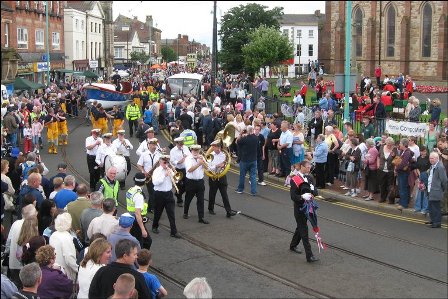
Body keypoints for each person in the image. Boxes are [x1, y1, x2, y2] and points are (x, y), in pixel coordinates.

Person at [289, 160, 319, 263]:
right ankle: (309, 256)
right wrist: (302, 196)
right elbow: (293, 196)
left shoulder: (310, 178)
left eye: (310, 167)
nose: (309, 169)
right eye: (307, 167)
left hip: (308, 207)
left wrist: (312, 190)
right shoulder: (294, 179)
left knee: (300, 227)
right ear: (301, 167)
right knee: (304, 231)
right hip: (299, 209)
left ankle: (293, 245)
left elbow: (316, 192)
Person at [5, 204, 38, 287]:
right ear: (32, 215)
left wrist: (7, 253)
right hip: (26, 266)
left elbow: (9, 241)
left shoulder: (15, 224)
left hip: (13, 263)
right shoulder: (32, 226)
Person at [206, 140, 239, 218]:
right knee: (212, 194)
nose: (214, 148)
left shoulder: (224, 155)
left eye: (216, 147)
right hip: (213, 177)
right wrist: (217, 166)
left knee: (224, 195)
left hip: (222, 177)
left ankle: (229, 211)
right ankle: (210, 209)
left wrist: (224, 165)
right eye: (213, 147)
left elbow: (226, 164)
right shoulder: (209, 155)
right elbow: (208, 168)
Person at [151, 156, 181, 237]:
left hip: (169, 194)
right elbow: (155, 183)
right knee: (158, 212)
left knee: (171, 213)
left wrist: (174, 176)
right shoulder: (157, 171)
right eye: (164, 162)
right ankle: (154, 226)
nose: (166, 164)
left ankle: (174, 232)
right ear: (160, 162)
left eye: (167, 162)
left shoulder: (170, 169)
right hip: (159, 194)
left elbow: (176, 180)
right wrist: (164, 175)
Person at [49, 213, 79, 281]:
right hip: (65, 273)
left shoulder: (53, 235)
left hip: (55, 270)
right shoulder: (67, 237)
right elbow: (69, 258)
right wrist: (78, 269)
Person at [126, 172, 153, 248]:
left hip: (131, 219)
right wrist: (143, 229)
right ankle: (141, 258)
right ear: (144, 182)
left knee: (144, 242)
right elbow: (138, 213)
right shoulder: (138, 195)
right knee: (142, 243)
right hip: (136, 221)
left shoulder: (131, 190)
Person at [183, 144, 209, 224]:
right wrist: (198, 164)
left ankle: (201, 217)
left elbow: (207, 167)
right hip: (191, 182)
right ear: (191, 150)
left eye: (197, 150)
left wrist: (203, 162)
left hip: (200, 182)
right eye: (194, 150)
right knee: (188, 198)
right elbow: (190, 170)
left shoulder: (201, 157)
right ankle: (185, 212)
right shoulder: (188, 159)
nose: (195, 152)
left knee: (201, 200)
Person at [137, 138, 161, 213]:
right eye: (152, 145)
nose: (154, 146)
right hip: (148, 176)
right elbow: (139, 164)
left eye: (155, 145)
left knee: (155, 192)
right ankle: (153, 208)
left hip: (156, 176)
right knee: (152, 192)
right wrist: (143, 172)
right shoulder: (144, 154)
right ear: (149, 145)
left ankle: (150, 207)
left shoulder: (159, 154)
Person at [425, 152, 448, 228]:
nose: (430, 160)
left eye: (432, 158)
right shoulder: (432, 166)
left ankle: (437, 222)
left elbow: (444, 180)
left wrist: (442, 189)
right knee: (431, 206)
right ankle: (433, 220)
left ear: (437, 158)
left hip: (436, 190)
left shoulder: (440, 167)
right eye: (430, 158)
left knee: (436, 207)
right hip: (430, 189)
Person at [235, 125, 258, 195]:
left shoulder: (244, 138)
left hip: (244, 160)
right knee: (253, 176)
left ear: (247, 131)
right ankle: (253, 192)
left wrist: (241, 133)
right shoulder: (256, 138)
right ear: (252, 130)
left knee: (242, 175)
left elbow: (237, 142)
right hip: (253, 159)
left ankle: (240, 189)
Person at [170, 137, 191, 207]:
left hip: (186, 169)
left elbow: (190, 156)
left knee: (187, 185)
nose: (181, 146)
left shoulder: (185, 148)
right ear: (176, 143)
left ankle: (178, 193)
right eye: (180, 144)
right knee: (179, 185)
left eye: (182, 144)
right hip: (178, 169)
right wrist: (180, 161)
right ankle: (179, 200)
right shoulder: (173, 151)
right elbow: (172, 161)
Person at [395, 138, 414, 210]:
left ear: (403, 144)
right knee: (402, 187)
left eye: (400, 143)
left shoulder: (407, 152)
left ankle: (404, 204)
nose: (399, 144)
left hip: (404, 173)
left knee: (403, 188)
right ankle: (402, 201)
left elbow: (403, 163)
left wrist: (396, 168)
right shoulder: (404, 151)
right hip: (402, 172)